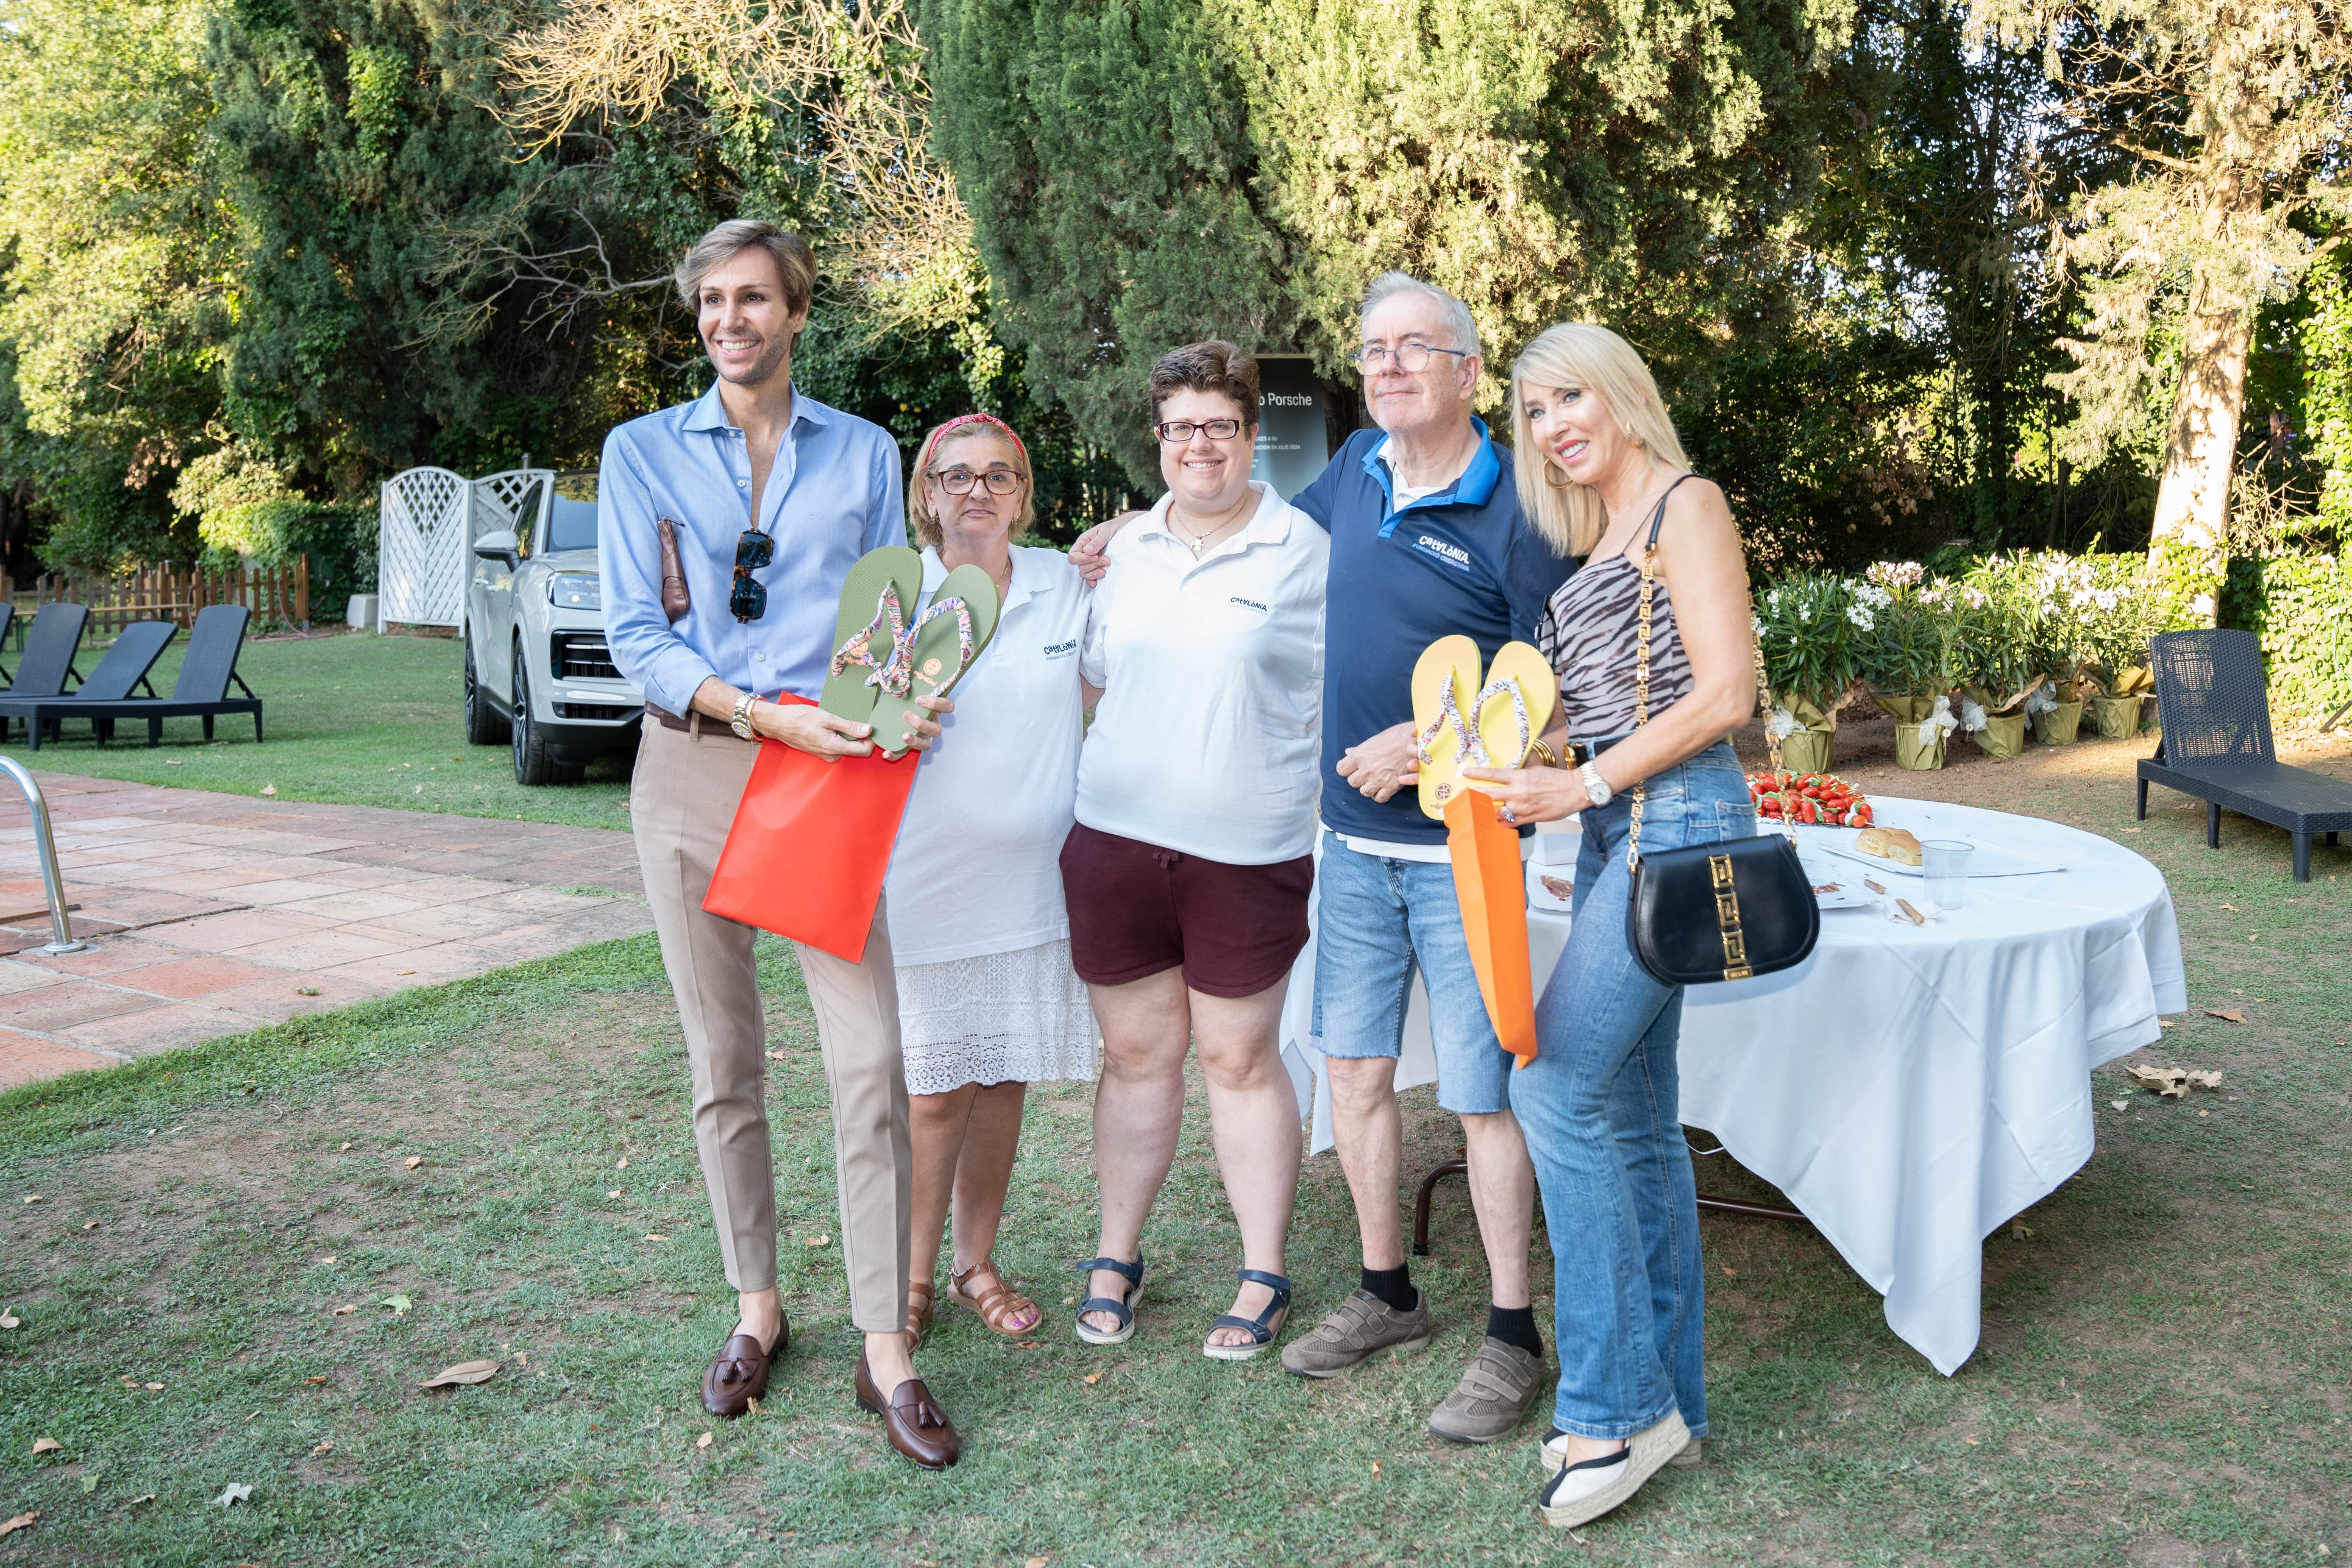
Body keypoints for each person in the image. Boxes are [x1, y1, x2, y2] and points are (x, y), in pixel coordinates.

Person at [1075, 275, 1575, 1441]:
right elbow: (1227, 521)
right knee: (1349, 1072)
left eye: (1417, 348)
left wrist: (1435, 741)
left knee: (1480, 1093)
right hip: (1347, 848)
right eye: (1373, 349)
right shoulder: (1347, 478)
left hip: (1467, 851)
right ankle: (1384, 1289)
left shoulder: (1526, 512)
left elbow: (1567, 706)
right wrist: (1115, 535)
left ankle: (1510, 1333)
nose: (1391, 365)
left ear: (1466, 369)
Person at [599, 218, 960, 1470]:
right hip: (694, 765)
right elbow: (635, 633)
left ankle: (885, 1350)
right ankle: (758, 1307)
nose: (728, 320)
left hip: (826, 782)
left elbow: (888, 611)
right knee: (723, 1061)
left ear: (796, 312)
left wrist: (905, 686)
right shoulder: (639, 450)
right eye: (710, 300)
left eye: (753, 298)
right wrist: (754, 711)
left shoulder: (863, 451)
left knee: (870, 1057)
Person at [1458, 322, 1757, 1528]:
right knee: (1628, 1113)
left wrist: (1580, 784)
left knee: (1553, 1089)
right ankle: (1668, 1402)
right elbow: (1603, 713)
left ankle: (1612, 1404)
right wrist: (1536, 755)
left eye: (1566, 398)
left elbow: (1726, 693)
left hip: (1668, 823)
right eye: (1531, 411)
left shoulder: (1686, 505)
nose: (1549, 427)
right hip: (1614, 831)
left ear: (1622, 392)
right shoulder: (1597, 538)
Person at [1062, 340, 1328, 1360]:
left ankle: (1263, 1271)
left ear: (1252, 436)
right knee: (1136, 1055)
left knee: (1238, 1056)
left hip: (1246, 852)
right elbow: (1087, 681)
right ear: (1159, 439)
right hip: (1117, 844)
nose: (1200, 444)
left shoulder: (1307, 551)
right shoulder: (1121, 554)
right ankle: (1115, 1254)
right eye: (1181, 427)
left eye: (1220, 424)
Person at [881, 412, 1097, 1351]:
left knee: (1003, 1073)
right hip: (927, 877)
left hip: (1035, 880)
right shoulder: (898, 590)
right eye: (957, 476)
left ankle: (977, 1263)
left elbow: (1101, 684)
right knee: (933, 1091)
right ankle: (912, 1276)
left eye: (998, 476)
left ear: (1025, 492)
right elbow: (864, 727)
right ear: (927, 493)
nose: (977, 491)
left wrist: (1125, 529)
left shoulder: (1063, 582)